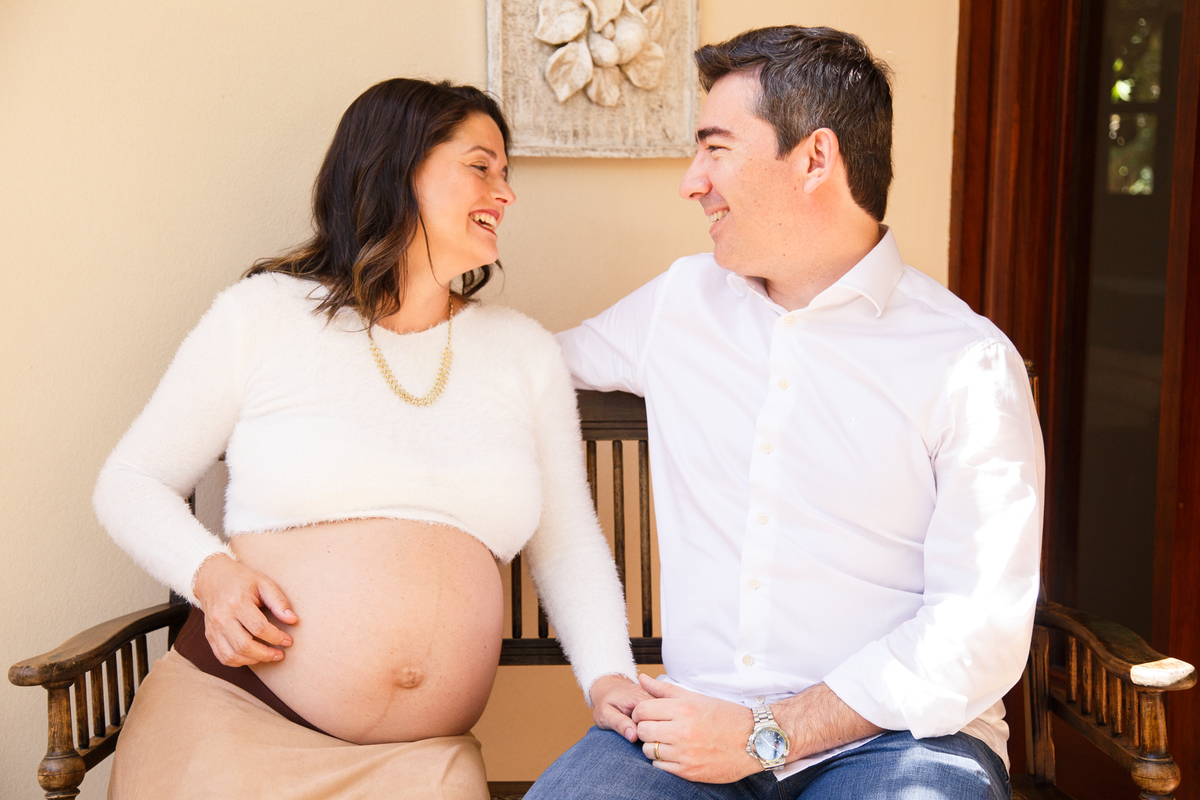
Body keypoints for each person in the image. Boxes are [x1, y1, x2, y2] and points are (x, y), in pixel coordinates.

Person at [528, 26, 1044, 800]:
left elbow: (978, 629)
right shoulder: (680, 304)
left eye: (716, 147)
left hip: (896, 743)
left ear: (814, 159)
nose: (692, 182)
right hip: (693, 726)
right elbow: (514, 372)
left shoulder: (969, 363)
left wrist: (770, 735)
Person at [93, 77, 643, 800]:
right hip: (234, 717)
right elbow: (130, 481)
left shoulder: (522, 352)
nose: (505, 193)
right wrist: (212, 576)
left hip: (419, 764)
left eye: (507, 174)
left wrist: (611, 678)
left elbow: (567, 542)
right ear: (394, 167)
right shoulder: (263, 317)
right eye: (481, 166)